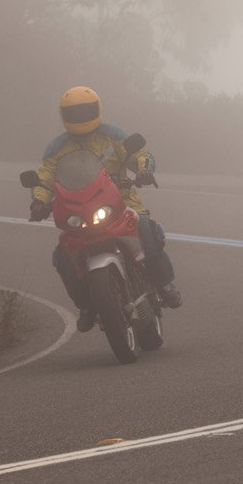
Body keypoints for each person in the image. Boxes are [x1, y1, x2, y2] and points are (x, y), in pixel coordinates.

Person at [29, 86, 182, 332]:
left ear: (97, 109)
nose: (80, 117)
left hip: (122, 202)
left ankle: (165, 285)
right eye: (74, 113)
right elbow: (45, 178)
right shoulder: (57, 148)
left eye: (85, 111)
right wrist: (39, 201)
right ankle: (86, 305)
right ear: (64, 115)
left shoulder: (113, 135)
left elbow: (140, 154)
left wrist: (144, 169)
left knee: (146, 230)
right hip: (78, 211)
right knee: (63, 255)